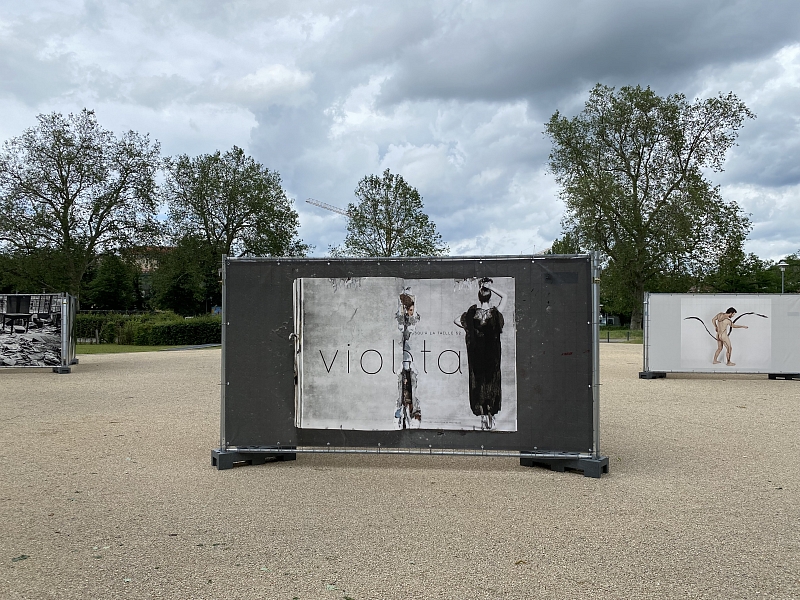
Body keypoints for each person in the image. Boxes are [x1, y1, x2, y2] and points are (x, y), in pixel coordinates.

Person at [455, 278, 505, 430]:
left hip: (476, 354)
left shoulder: (472, 314)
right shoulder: (495, 313)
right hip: (492, 355)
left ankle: (482, 417)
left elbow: (456, 320)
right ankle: (491, 416)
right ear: (490, 295)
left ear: (479, 296)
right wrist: (489, 287)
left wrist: (470, 329)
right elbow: (505, 296)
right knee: (492, 382)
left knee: (478, 382)